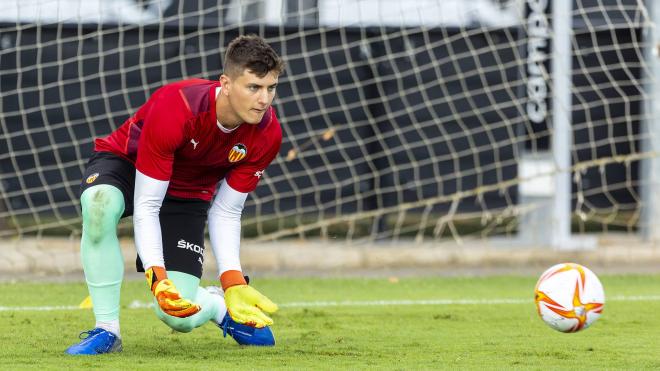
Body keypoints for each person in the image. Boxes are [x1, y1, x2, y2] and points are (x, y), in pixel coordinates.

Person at [65, 34, 284, 355]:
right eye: (254, 87)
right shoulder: (177, 106)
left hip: (187, 194)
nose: (264, 100)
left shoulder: (268, 133)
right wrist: (157, 275)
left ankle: (218, 306)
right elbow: (147, 203)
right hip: (128, 164)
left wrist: (233, 281)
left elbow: (225, 211)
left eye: (271, 88)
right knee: (99, 206)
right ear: (226, 83)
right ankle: (106, 330)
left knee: (176, 317)